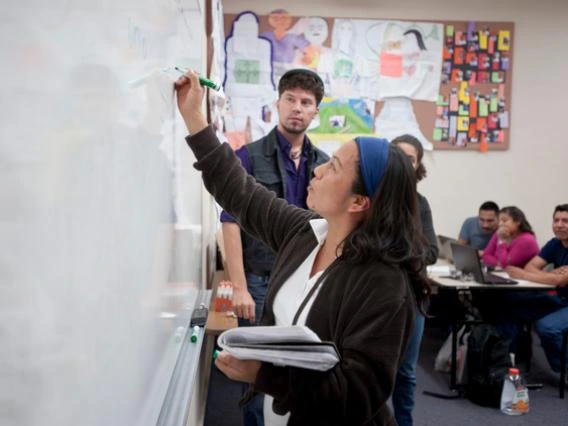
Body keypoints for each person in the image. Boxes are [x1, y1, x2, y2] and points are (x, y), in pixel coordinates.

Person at [176, 70, 430, 425]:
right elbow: (241, 193)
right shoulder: (308, 233)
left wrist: (264, 375)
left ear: (358, 201)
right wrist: (194, 119)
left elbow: (356, 395)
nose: (319, 169)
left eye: (334, 168)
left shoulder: (384, 283)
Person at [220, 68, 329, 426]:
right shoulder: (248, 155)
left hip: (308, 280)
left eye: (306, 102)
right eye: (290, 99)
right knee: (255, 369)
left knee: (301, 363)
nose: (297, 108)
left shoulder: (325, 165)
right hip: (259, 280)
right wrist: (239, 286)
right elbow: (230, 222)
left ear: (316, 112)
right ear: (278, 103)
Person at [391, 134, 438, 426]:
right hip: (376, 296)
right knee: (371, 369)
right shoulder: (370, 197)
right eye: (398, 155)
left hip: (412, 296)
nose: (404, 163)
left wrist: (397, 245)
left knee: (406, 372)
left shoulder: (420, 204)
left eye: (410, 158)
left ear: (418, 165)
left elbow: (430, 252)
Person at [508, 204, 568, 372]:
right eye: (556, 220)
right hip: (560, 299)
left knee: (547, 327)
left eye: (565, 221)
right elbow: (531, 267)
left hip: (564, 300)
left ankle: (564, 369)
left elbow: (561, 281)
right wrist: (552, 277)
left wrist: (524, 275)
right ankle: (514, 357)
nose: (559, 224)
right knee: (513, 306)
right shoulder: (555, 243)